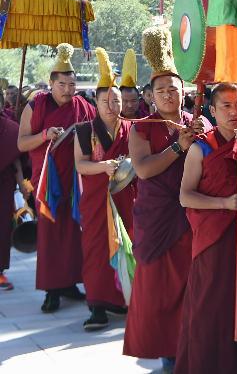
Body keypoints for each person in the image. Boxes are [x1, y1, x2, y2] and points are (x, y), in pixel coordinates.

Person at [124, 26, 210, 372]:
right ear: (151, 96)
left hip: (192, 214)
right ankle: (167, 354)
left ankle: (191, 347)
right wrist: (178, 146)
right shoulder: (142, 127)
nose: (168, 96)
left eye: (173, 89)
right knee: (160, 289)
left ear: (184, 91)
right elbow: (143, 170)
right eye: (161, 91)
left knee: (193, 286)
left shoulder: (197, 122)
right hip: (160, 217)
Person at [177, 83, 237, 373]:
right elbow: (185, 196)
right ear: (212, 111)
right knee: (211, 307)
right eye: (225, 106)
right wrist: (225, 204)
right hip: (216, 238)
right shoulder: (202, 148)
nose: (233, 112)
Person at [17, 43, 96, 313]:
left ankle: (70, 282)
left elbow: (96, 136)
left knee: (74, 233)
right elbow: (21, 144)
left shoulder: (83, 106)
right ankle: (52, 289)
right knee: (50, 235)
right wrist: (43, 135)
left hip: (75, 179)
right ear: (51, 84)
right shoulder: (36, 104)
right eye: (62, 85)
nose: (68, 90)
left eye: (72, 85)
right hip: (47, 182)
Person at [73, 49, 137, 331]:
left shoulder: (133, 128)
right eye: (105, 101)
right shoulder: (84, 131)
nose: (111, 106)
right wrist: (104, 167)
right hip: (97, 201)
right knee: (97, 251)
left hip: (127, 198)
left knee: (129, 246)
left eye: (116, 100)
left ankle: (124, 300)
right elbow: (80, 166)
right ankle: (97, 305)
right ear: (95, 103)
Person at [0, 107, 27, 290]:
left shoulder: (9, 128)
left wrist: (22, 184)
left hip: (3, 184)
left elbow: (15, 157)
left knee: (2, 227)